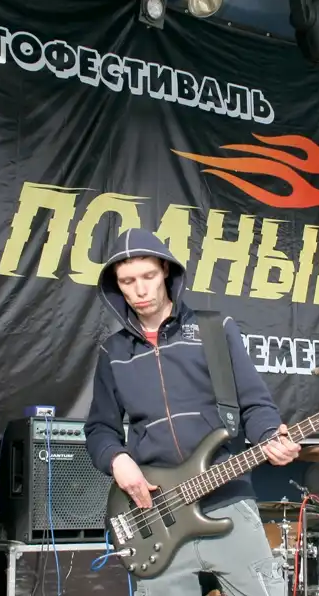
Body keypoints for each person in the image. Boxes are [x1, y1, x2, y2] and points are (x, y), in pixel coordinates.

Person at [84, 228, 300, 596]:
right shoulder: (113, 352)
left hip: (227, 501)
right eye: (128, 281)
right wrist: (118, 461)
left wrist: (269, 436)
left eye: (148, 276)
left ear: (165, 271)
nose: (140, 290)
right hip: (156, 518)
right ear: (116, 286)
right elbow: (100, 429)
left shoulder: (214, 330)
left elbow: (255, 404)